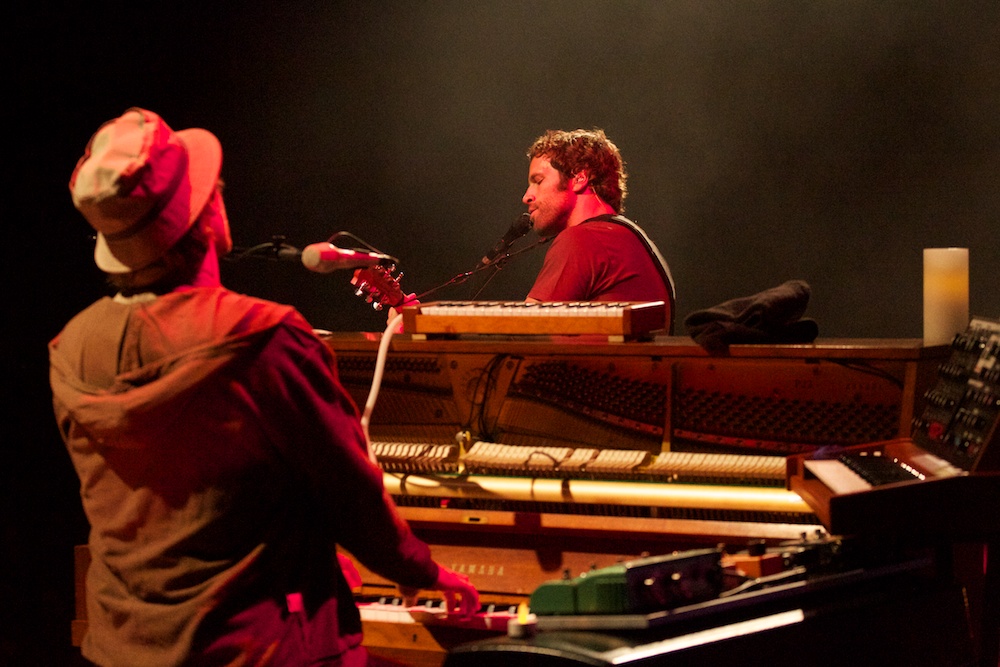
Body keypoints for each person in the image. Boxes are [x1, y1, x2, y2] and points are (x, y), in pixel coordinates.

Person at [49, 108, 479, 667]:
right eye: (215, 190)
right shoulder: (263, 337)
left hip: (121, 646)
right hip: (259, 648)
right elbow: (349, 495)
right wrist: (422, 570)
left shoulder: (70, 348)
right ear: (207, 216)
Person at [522, 128, 676, 331]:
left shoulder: (584, 239)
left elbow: (525, 331)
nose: (527, 196)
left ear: (579, 178)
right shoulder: (628, 237)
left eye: (538, 181)